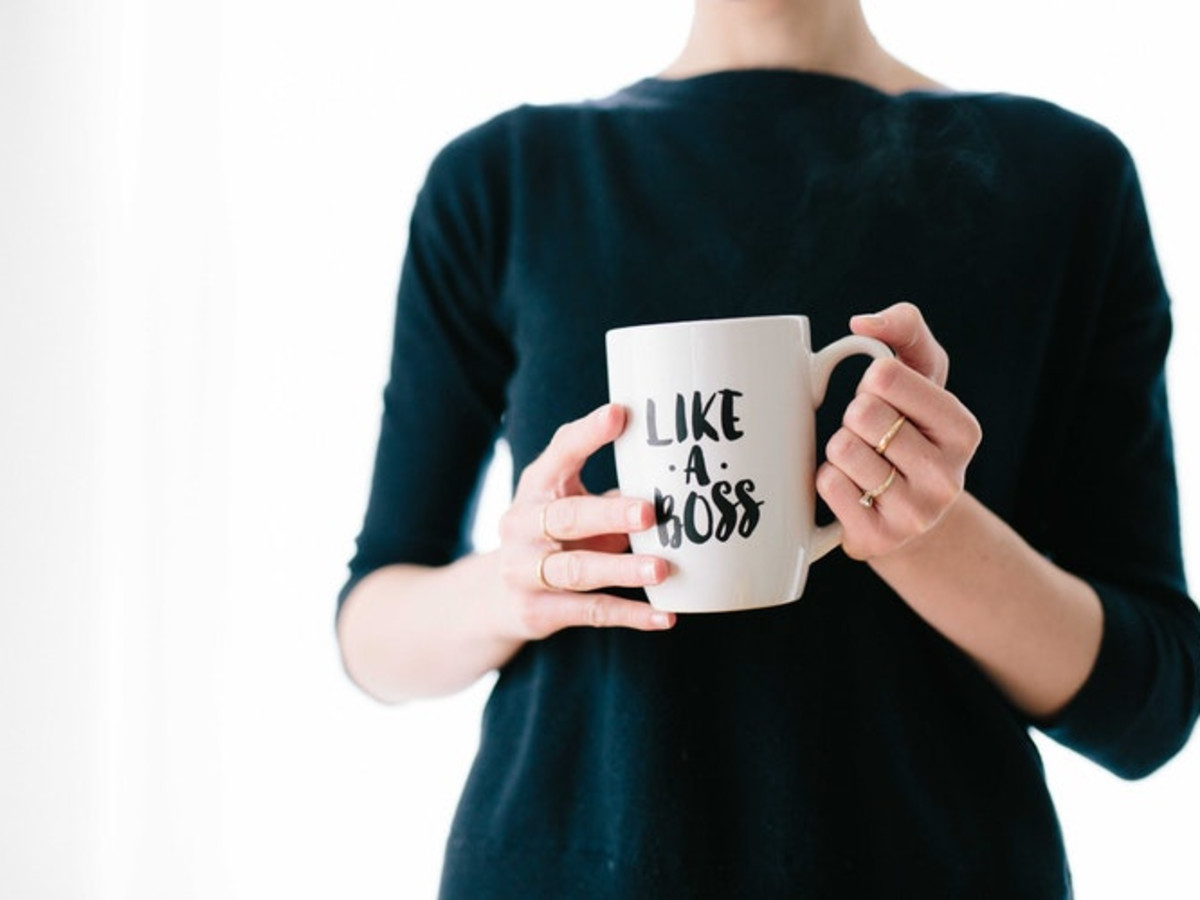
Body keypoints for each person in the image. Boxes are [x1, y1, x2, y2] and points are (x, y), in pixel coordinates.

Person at [335, 1, 1200, 896]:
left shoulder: (1064, 181)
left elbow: (1151, 706)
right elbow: (371, 630)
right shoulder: (503, 182)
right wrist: (516, 584)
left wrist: (926, 535)